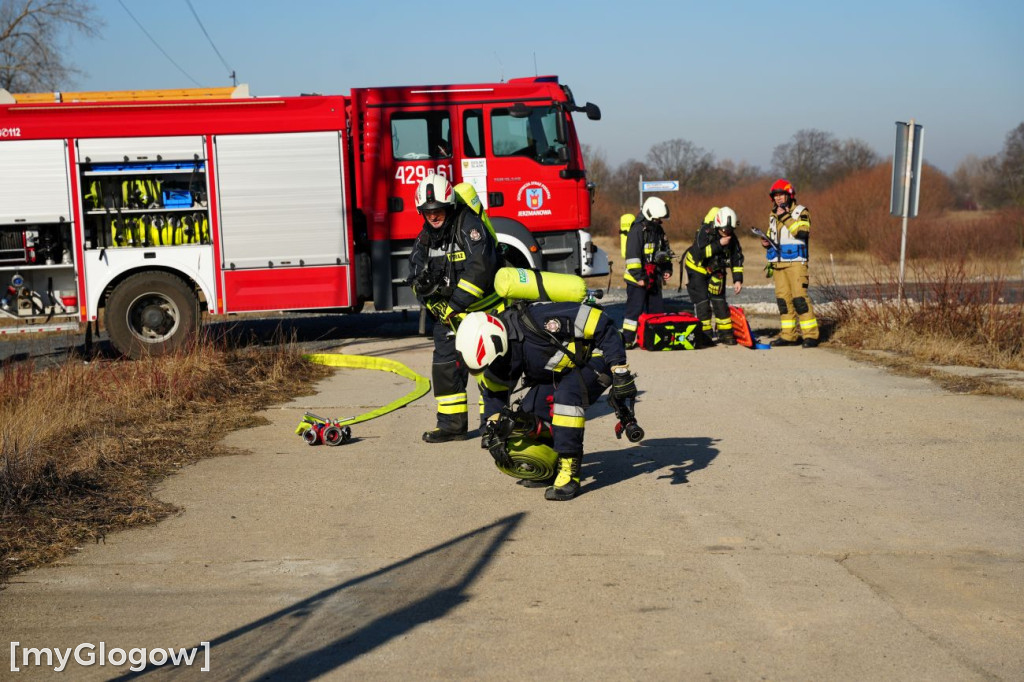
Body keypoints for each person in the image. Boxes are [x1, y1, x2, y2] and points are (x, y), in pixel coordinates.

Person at [454, 303, 638, 501]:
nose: (495, 367)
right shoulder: (500, 352)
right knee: (528, 411)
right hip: (559, 372)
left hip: (597, 356)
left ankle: (570, 471)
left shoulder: (540, 319)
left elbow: (601, 322)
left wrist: (619, 370)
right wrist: (492, 432)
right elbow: (494, 393)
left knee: (567, 397)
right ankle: (550, 465)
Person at [409, 173, 504, 442]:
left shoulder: (469, 226)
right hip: (449, 317)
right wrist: (429, 297)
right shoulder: (425, 238)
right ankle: (451, 425)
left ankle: (493, 426)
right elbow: (415, 272)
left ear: (448, 207)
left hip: (483, 313)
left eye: (438, 210)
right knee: (445, 367)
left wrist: (456, 304)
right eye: (428, 212)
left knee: (487, 369)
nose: (433, 216)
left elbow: (480, 268)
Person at [760, 179, 820, 348]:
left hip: (796, 263)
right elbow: (770, 235)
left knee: (800, 299)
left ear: (789, 195)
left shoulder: (801, 211)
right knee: (783, 301)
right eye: (775, 196)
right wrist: (765, 241)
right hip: (778, 264)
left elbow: (802, 232)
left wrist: (784, 216)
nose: (778, 198)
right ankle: (788, 336)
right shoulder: (773, 215)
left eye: (781, 195)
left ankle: (811, 336)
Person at [683, 206, 744, 346]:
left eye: (730, 230)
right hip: (696, 269)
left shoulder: (732, 238)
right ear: (717, 225)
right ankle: (705, 335)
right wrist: (719, 244)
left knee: (719, 301)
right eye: (724, 229)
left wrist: (738, 279)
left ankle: (725, 334)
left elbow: (737, 258)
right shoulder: (705, 232)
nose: (727, 232)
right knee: (703, 302)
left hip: (716, 271)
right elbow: (700, 253)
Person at [621, 196, 674, 349]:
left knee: (656, 311)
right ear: (650, 216)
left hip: (654, 277)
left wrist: (667, 269)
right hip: (637, 280)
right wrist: (639, 277)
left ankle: (654, 338)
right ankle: (628, 340)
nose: (660, 222)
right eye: (658, 219)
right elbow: (632, 257)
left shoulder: (658, 231)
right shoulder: (637, 231)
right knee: (634, 312)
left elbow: (665, 252)